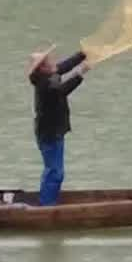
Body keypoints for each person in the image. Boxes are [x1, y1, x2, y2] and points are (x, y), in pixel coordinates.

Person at [26, 45, 89, 206]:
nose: (53, 62)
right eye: (48, 61)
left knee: (55, 171)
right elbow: (62, 90)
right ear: (43, 68)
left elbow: (64, 66)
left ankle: (47, 201)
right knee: (55, 172)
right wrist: (80, 73)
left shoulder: (48, 75)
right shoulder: (45, 85)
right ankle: (46, 206)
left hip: (54, 131)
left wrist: (83, 55)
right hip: (49, 134)